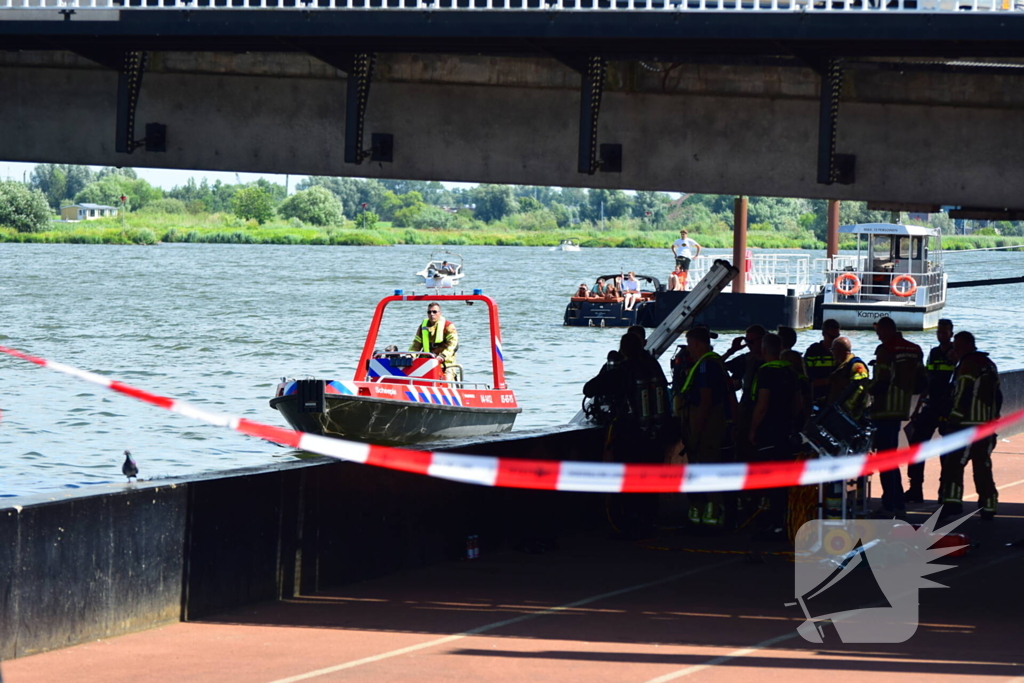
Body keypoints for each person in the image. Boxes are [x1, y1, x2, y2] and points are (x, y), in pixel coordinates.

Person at [583, 333, 672, 537]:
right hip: (656, 434)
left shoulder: (623, 370)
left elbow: (589, 389)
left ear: (623, 350)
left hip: (633, 437)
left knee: (632, 481)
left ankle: (633, 524)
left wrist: (611, 369)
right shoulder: (654, 366)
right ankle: (649, 522)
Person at [677, 325, 737, 527]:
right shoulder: (712, 363)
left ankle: (713, 517)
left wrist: (696, 433)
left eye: (689, 345)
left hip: (706, 427)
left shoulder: (704, 366)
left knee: (706, 468)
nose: (688, 350)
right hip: (710, 425)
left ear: (695, 343)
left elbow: (705, 401)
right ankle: (705, 514)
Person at [868, 316, 926, 519]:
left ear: (886, 330)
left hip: (884, 410)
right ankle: (897, 503)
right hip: (901, 408)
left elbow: (881, 381)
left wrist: (866, 390)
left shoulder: (885, 351)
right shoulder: (914, 349)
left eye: (878, 331)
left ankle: (890, 505)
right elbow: (921, 382)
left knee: (885, 460)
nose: (877, 335)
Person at [940, 331, 1002, 520]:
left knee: (954, 464)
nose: (954, 349)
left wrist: (953, 419)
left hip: (967, 425)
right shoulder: (989, 365)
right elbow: (998, 396)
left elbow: (963, 393)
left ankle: (952, 503)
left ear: (966, 345)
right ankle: (989, 505)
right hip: (986, 424)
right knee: (982, 465)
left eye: (957, 346)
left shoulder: (968, 365)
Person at [748, 333, 803, 537]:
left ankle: (774, 524)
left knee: (771, 480)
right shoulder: (790, 371)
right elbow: (799, 405)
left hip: (769, 432)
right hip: (786, 431)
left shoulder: (765, 372)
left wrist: (753, 429)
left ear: (763, 350)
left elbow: (761, 405)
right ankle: (783, 521)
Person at [904, 318, 955, 503]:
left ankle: (945, 492)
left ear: (951, 334)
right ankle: (915, 489)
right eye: (939, 331)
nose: (941, 334)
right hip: (931, 406)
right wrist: (917, 408)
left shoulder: (956, 356)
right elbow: (927, 382)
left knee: (947, 451)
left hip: (949, 408)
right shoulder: (933, 353)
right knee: (917, 445)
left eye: (944, 332)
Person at [409, 302, 460, 381]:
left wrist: (443, 356)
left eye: (434, 312)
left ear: (440, 313)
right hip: (426, 363)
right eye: (429, 312)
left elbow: (453, 345)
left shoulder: (448, 326)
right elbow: (416, 345)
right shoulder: (423, 326)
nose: (432, 314)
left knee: (446, 382)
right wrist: (410, 356)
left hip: (445, 364)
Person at [825, 336, 871, 417]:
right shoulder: (839, 367)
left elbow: (859, 389)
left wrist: (846, 408)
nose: (832, 353)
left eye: (833, 350)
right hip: (838, 413)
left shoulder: (857, 366)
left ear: (840, 350)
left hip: (853, 415)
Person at [805, 319, 841, 407]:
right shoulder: (813, 352)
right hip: (816, 399)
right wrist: (830, 381)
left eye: (837, 338)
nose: (835, 341)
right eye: (832, 337)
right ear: (824, 334)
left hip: (836, 400)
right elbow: (807, 381)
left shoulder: (841, 352)